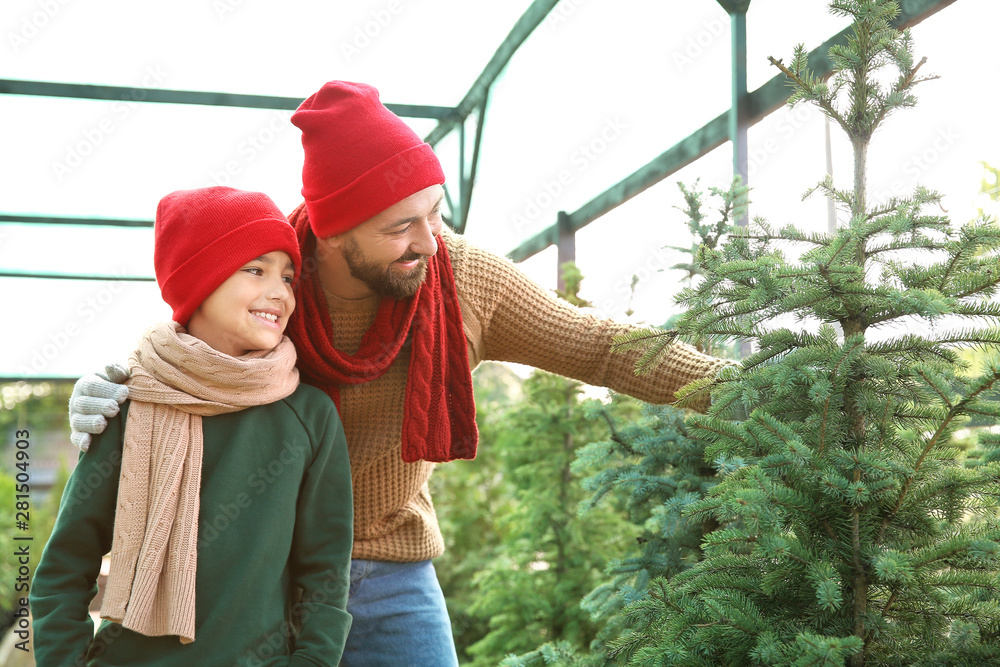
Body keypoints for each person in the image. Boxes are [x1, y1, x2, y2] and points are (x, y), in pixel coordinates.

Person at [68, 81, 732, 666]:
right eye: (400, 225)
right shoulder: (273, 281)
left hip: (392, 566)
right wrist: (105, 391)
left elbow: (600, 345)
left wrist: (740, 390)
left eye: (435, 212)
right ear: (332, 234)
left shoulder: (462, 278)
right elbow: (184, 360)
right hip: (255, 570)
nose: (429, 239)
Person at [33, 187, 353, 666]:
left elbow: (325, 574)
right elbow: (65, 565)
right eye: (256, 269)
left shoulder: (308, 415)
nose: (280, 292)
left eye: (287, 277)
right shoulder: (131, 403)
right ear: (201, 281)